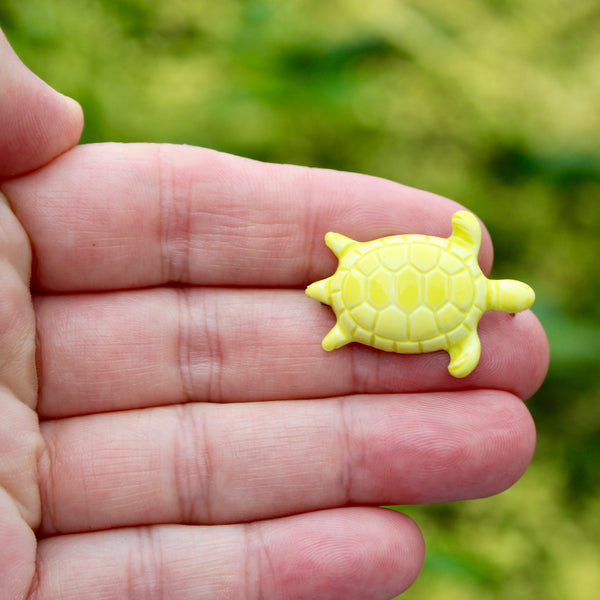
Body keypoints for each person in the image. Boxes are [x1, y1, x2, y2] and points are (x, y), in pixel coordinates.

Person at [0, 27, 548, 600]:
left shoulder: (458, 262)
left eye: (510, 296)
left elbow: (459, 290)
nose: (508, 298)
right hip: (363, 298)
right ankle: (344, 312)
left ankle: (345, 309)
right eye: (511, 297)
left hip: (365, 286)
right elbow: (461, 350)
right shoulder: (462, 308)